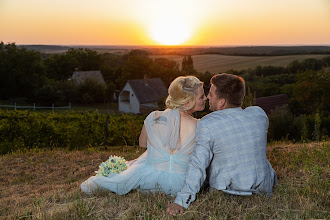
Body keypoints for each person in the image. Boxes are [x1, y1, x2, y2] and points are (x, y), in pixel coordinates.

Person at [167, 73, 277, 216]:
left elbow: (198, 164)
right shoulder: (259, 114)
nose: (207, 97)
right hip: (265, 188)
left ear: (221, 103)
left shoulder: (207, 123)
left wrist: (181, 201)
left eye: (211, 94)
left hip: (229, 191)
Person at [81, 76, 207, 196]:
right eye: (202, 97)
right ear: (187, 102)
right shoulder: (201, 125)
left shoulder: (153, 117)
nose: (206, 98)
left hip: (151, 177)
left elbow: (142, 144)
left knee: (136, 167)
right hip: (183, 183)